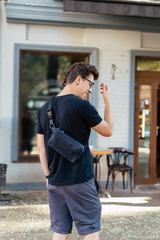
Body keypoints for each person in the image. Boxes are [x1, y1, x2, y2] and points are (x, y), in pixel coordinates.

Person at [37, 62, 113, 240]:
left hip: (55, 181)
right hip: (79, 179)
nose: (91, 90)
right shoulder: (82, 106)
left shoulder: (44, 108)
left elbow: (41, 147)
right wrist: (108, 102)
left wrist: (49, 176)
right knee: (90, 229)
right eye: (90, 84)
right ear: (79, 80)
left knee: (60, 231)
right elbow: (108, 130)